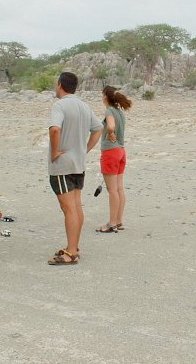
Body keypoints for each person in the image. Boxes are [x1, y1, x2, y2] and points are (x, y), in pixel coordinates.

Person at [47, 72, 102, 265]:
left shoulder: (59, 105)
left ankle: (70, 252)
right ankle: (74, 246)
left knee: (69, 208)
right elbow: (98, 129)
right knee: (76, 206)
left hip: (63, 166)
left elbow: (54, 129)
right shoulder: (84, 106)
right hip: (78, 163)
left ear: (60, 84)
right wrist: (84, 149)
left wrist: (55, 152)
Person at [96, 86, 132, 233]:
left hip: (111, 151)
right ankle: (118, 221)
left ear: (105, 96)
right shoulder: (120, 113)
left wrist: (110, 133)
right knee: (119, 188)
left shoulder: (109, 111)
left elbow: (110, 126)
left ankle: (111, 223)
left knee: (112, 191)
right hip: (121, 151)